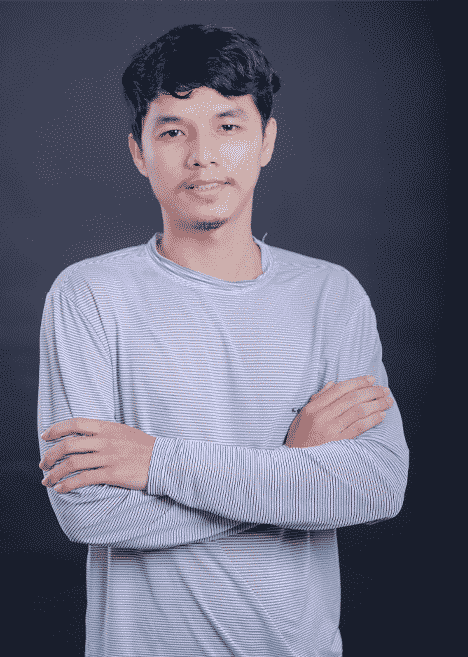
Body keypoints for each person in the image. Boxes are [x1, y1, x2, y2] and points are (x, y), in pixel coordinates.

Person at [37, 23, 409, 657]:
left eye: (228, 126)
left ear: (267, 141)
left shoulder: (331, 296)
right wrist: (292, 464)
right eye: (173, 131)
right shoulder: (89, 295)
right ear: (138, 151)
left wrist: (154, 464)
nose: (202, 155)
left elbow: (372, 486)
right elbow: (91, 512)